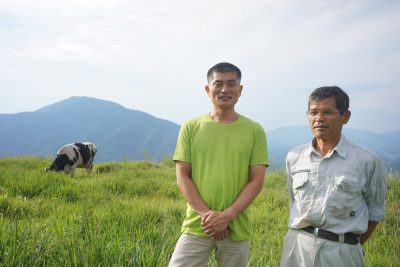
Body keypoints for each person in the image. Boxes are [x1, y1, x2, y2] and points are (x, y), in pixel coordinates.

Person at [169, 62, 269, 267]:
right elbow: (182, 176)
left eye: (231, 84)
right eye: (218, 84)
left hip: (237, 227)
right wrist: (209, 217)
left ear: (240, 90)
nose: (225, 90)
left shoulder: (254, 130)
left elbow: (256, 181)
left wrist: (227, 216)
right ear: (208, 90)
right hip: (197, 225)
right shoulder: (191, 127)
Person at [280, 86, 387, 267]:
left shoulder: (367, 161)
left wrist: (347, 245)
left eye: (327, 112)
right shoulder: (294, 157)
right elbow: (293, 201)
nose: (319, 119)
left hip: (342, 252)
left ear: (345, 116)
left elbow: (375, 212)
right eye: (313, 112)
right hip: (297, 248)